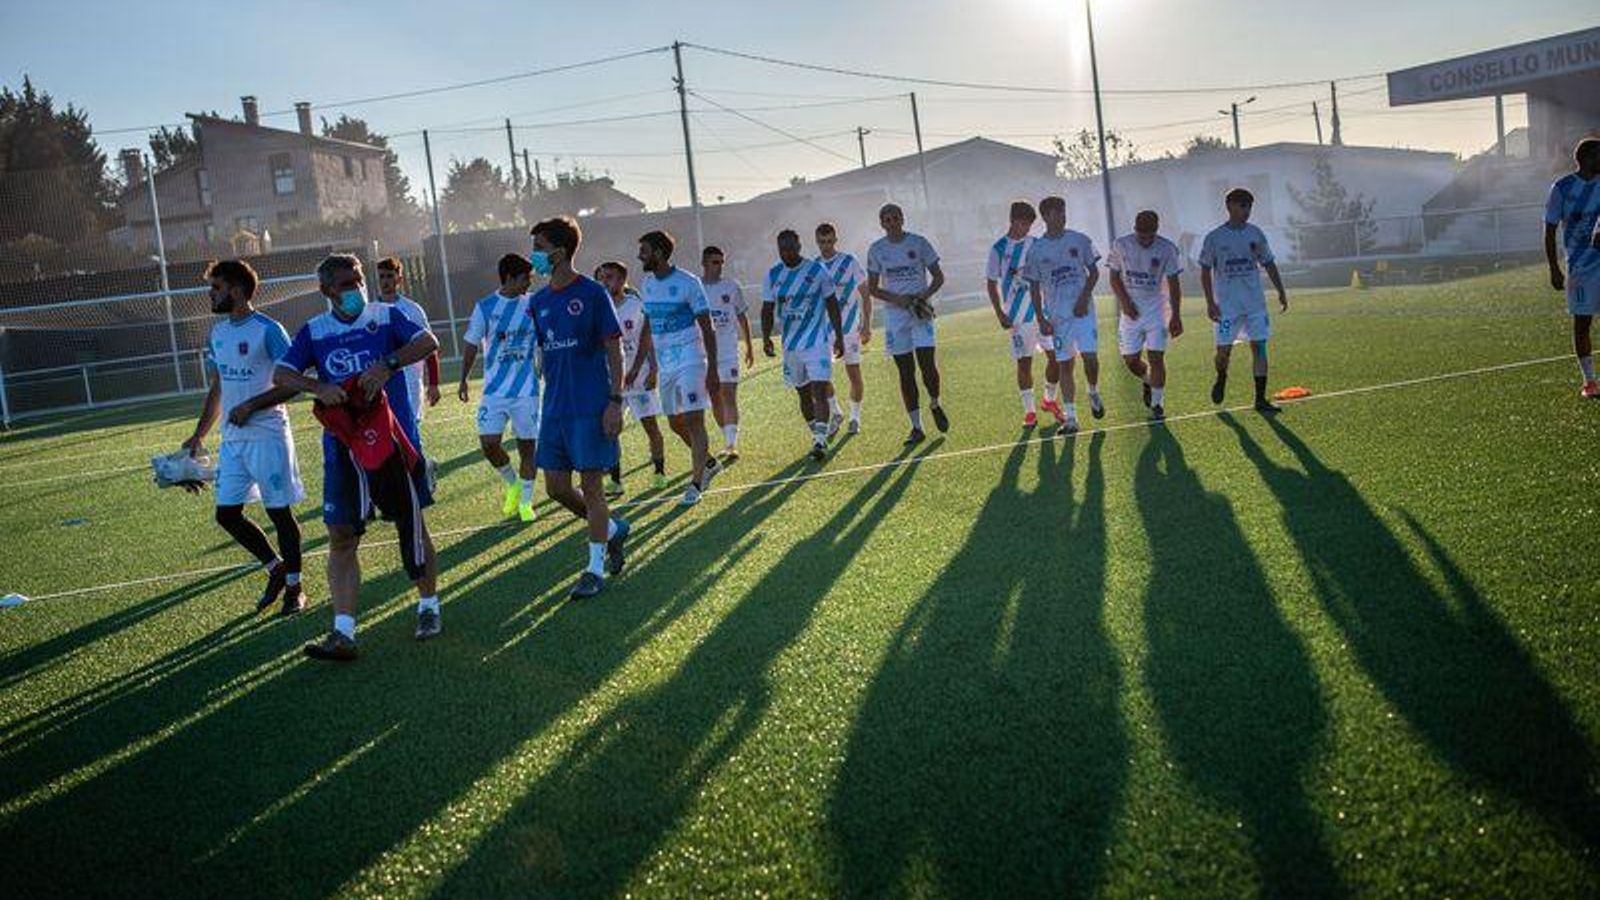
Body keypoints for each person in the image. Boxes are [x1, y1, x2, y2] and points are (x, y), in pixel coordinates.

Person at [274, 253, 442, 661]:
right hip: (343, 448)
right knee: (341, 535)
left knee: (411, 523)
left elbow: (427, 341)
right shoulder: (315, 331)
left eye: (358, 280)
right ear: (327, 290)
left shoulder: (384, 316)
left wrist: (387, 364)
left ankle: (428, 607)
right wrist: (317, 388)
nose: (355, 289)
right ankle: (344, 631)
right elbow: (282, 374)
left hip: (392, 442)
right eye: (346, 284)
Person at [182, 259, 306, 616]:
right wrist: (198, 435)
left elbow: (293, 384)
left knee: (280, 513)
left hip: (268, 434)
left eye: (216, 288)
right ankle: (276, 568)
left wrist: (253, 404)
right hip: (233, 439)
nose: (211, 294)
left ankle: (295, 588)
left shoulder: (269, 329)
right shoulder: (218, 333)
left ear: (236, 290)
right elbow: (218, 386)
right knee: (227, 514)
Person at [528, 217, 631, 598]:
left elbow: (614, 349)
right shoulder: (537, 301)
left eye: (539, 247)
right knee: (555, 488)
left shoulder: (592, 293)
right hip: (553, 408)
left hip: (591, 406)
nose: (535, 255)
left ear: (560, 250)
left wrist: (615, 401)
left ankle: (594, 568)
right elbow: (542, 354)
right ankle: (614, 530)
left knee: (591, 487)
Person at [637, 229, 722, 506]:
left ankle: (696, 484)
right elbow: (647, 327)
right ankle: (709, 463)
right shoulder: (646, 284)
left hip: (691, 360)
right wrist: (640, 365)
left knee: (695, 420)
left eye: (645, 251)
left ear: (659, 253)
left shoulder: (688, 282)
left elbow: (707, 328)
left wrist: (712, 369)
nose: (640, 256)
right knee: (675, 422)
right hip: (665, 364)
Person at [458, 254, 541, 522]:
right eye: (525, 278)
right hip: (494, 392)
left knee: (528, 448)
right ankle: (513, 483)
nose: (530, 282)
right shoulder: (485, 307)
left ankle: (527, 502)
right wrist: (463, 379)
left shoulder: (534, 304)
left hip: (526, 391)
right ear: (509, 277)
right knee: (489, 444)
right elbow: (471, 344)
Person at [1199, 187, 1289, 412]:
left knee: (1259, 347)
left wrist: (1280, 290)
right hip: (1227, 308)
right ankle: (1221, 377)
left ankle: (1260, 399)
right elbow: (1205, 270)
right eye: (1242, 206)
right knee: (1223, 352)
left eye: (1249, 207)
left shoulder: (1255, 234)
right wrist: (1210, 302)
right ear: (1229, 206)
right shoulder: (1215, 238)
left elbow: (1268, 263)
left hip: (1254, 305)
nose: (1247, 211)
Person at [761, 229, 846, 461]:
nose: (786, 254)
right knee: (803, 393)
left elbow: (832, 304)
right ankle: (817, 433)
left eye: (790, 248)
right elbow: (767, 309)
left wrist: (838, 335)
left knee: (819, 389)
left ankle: (819, 442)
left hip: (817, 341)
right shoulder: (773, 275)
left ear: (799, 247)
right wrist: (767, 337)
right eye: (782, 250)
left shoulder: (817, 271)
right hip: (791, 346)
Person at [866, 203, 947, 445]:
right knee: (905, 372)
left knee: (927, 366)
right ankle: (916, 427)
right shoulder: (876, 250)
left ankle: (934, 402)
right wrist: (897, 299)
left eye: (895, 218)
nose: (891, 223)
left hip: (920, 313)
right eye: (887, 220)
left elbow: (939, 277)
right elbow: (872, 288)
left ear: (902, 218)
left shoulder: (919, 243)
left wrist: (922, 295)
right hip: (895, 317)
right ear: (882, 224)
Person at [1025, 195, 1103, 435]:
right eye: (1057, 212)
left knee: (1090, 358)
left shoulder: (1079, 240)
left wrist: (1083, 298)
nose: (1062, 216)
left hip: (1083, 311)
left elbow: (1094, 272)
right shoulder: (1037, 250)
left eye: (1063, 211)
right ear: (1046, 217)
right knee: (1065, 365)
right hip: (1058, 317)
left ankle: (1092, 391)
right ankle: (1071, 419)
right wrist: (1041, 318)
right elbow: (1034, 287)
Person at [986, 200, 1064, 428]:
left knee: (1057, 358)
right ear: (1013, 221)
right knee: (1024, 363)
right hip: (1017, 317)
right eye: (1024, 224)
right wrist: (1000, 313)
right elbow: (991, 284)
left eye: (1030, 225)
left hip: (1044, 313)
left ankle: (1049, 400)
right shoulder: (998, 249)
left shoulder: (1036, 244)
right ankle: (1029, 412)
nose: (1027, 229)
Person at [596, 261, 669, 493]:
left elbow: (648, 340)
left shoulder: (636, 305)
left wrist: (652, 369)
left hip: (638, 377)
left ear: (622, 280)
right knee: (610, 429)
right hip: (611, 381)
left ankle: (659, 472)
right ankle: (616, 481)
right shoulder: (597, 307)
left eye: (610, 277)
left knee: (650, 426)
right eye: (602, 277)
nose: (605, 282)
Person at [1108, 210, 1185, 421]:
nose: (1146, 240)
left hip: (1156, 311)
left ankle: (1158, 405)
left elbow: (1174, 284)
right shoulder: (1121, 245)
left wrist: (1176, 315)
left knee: (1156, 357)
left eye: (1150, 235)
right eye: (1142, 236)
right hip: (1130, 312)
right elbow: (1114, 278)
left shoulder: (1167, 248)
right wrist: (1125, 303)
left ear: (1156, 231)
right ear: (1135, 230)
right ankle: (1147, 380)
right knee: (1131, 361)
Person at [1543, 137, 1600, 398]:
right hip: (1580, 268)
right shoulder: (1562, 188)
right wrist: (1554, 268)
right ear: (1587, 158)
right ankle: (1590, 382)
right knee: (1582, 324)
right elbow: (1550, 228)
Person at [815, 221, 871, 434]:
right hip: (824, 332)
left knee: (854, 373)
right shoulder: (814, 267)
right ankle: (836, 412)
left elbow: (865, 294)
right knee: (822, 376)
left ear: (835, 240)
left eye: (830, 241)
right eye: (822, 242)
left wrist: (866, 325)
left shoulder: (849, 262)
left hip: (850, 329)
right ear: (817, 242)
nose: (826, 246)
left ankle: (855, 418)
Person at [374, 257, 441, 430]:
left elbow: (430, 348)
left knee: (410, 432)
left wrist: (433, 384)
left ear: (399, 279)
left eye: (389, 276)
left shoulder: (413, 310)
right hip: (381, 384)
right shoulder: (370, 311)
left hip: (410, 382)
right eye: (381, 277)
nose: (385, 281)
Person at [702, 245, 754, 459]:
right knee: (715, 397)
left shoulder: (732, 286)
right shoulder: (696, 287)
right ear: (704, 263)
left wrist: (749, 345)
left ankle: (732, 444)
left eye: (722, 262)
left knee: (729, 394)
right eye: (715, 262)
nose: (719, 266)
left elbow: (742, 316)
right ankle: (726, 436)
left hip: (728, 351)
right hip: (703, 354)